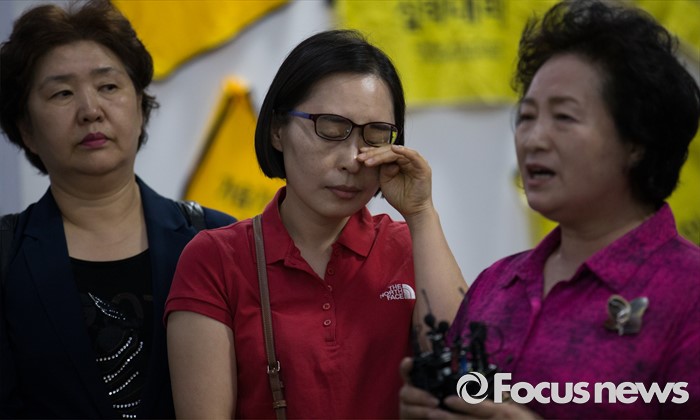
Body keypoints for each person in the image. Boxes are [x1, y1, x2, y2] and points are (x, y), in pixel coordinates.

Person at [399, 0, 700, 418]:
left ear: (637, 141)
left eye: (564, 117)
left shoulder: (688, 293)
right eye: (526, 116)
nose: (533, 139)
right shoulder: (496, 284)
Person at [165, 29, 466, 418]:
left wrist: (422, 213)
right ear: (277, 130)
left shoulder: (407, 246)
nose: (353, 159)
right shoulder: (216, 259)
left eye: (375, 135)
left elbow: (464, 373)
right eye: (330, 128)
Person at [0, 1, 236, 418]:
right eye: (62, 93)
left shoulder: (219, 241)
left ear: (141, 108)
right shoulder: (6, 255)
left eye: (108, 86)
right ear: (27, 130)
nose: (90, 110)